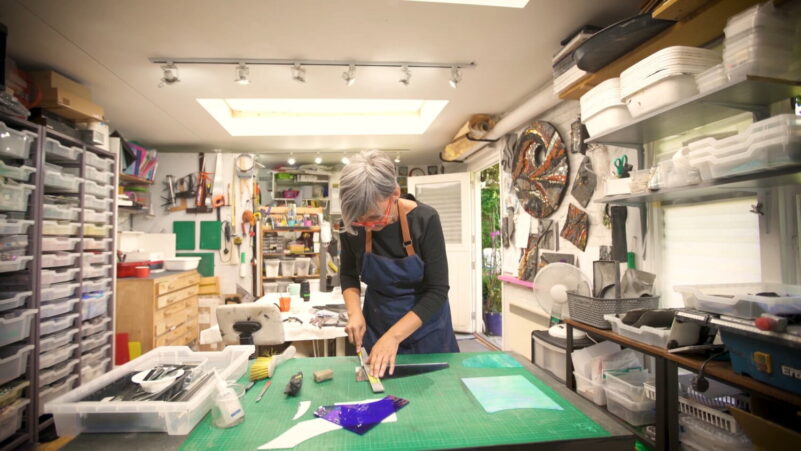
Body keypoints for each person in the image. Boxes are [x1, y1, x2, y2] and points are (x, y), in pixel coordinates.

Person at [339, 150, 459, 378]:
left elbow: (437, 290)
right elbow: (347, 275)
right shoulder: (353, 224)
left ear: (395, 193)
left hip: (427, 330)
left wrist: (393, 337)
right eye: (359, 220)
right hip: (378, 323)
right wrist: (355, 313)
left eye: (375, 218)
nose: (367, 227)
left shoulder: (425, 220)